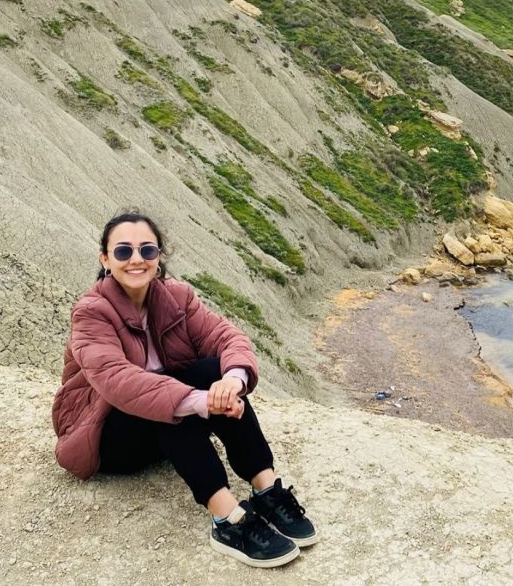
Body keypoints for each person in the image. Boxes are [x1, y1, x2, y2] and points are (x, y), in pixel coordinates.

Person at [51, 211, 315, 568]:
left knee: (210, 370)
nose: (136, 260)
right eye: (124, 251)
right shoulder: (91, 312)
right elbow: (118, 381)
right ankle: (226, 519)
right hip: (107, 435)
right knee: (164, 397)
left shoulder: (176, 296)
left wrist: (231, 382)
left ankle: (266, 488)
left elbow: (228, 338)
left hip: (165, 425)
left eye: (146, 250)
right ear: (105, 259)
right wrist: (202, 401)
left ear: (158, 257)